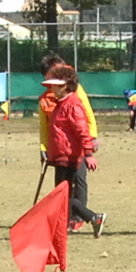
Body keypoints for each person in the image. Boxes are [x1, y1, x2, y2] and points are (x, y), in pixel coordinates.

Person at [43, 65, 105, 236]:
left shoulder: (73, 105)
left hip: (70, 157)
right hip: (60, 157)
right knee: (61, 196)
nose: (52, 88)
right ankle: (66, 225)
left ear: (65, 86)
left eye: (55, 85)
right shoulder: (60, 104)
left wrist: (89, 154)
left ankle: (93, 217)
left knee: (61, 196)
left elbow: (82, 131)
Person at [36, 52, 99, 166]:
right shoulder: (44, 99)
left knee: (78, 182)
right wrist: (43, 147)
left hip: (77, 148)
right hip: (59, 150)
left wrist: (92, 136)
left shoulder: (75, 90)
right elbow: (44, 126)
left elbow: (87, 115)